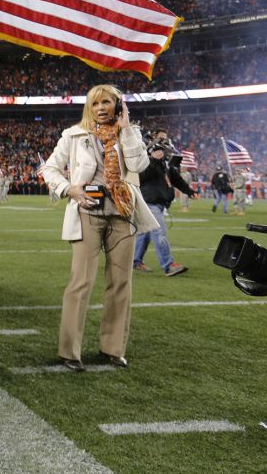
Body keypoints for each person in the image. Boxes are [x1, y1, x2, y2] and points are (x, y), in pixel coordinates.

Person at [40, 84, 158, 372]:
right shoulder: (74, 134)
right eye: (95, 103)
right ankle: (70, 352)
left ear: (119, 106)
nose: (101, 108)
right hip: (87, 213)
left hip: (123, 212)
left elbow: (139, 164)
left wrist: (127, 128)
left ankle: (113, 348)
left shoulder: (130, 133)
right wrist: (70, 189)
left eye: (107, 102)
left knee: (121, 283)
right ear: (88, 107)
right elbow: (49, 169)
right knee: (81, 282)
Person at [132, 139, 195, 277]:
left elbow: (177, 180)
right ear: (151, 152)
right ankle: (168, 265)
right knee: (160, 232)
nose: (162, 153)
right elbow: (141, 178)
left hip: (158, 204)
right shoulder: (144, 163)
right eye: (159, 151)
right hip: (149, 203)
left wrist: (190, 192)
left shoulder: (165, 166)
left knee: (144, 235)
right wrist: (153, 161)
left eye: (163, 151)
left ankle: (136, 261)